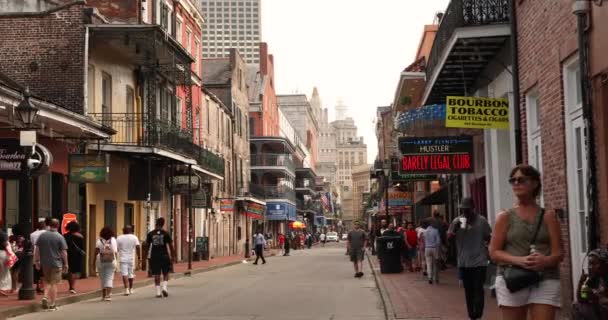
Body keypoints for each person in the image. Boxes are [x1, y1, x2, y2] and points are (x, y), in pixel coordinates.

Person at [489, 164, 563, 320]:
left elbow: (559, 253)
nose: (516, 183)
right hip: (512, 278)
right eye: (513, 180)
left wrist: (546, 260)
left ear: (535, 183)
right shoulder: (505, 217)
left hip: (546, 277)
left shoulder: (548, 216)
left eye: (521, 180)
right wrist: (520, 260)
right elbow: (494, 253)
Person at [448, 197, 492, 320]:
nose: (465, 213)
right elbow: (449, 241)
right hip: (464, 262)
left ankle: (478, 314)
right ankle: (472, 316)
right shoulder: (457, 221)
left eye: (467, 210)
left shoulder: (481, 221)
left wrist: (486, 247)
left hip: (479, 261)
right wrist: (454, 230)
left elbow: (489, 237)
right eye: (463, 210)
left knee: (478, 289)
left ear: (473, 208)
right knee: (468, 291)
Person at [34, 219, 68, 311]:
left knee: (47, 281)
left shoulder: (42, 236)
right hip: (56, 263)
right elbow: (63, 252)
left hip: (45, 263)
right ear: (58, 225)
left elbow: (37, 249)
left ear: (49, 225)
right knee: (54, 284)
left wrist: (37, 261)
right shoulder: (60, 237)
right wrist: (66, 263)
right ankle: (52, 304)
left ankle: (45, 297)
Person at [572, 248, 608, 320]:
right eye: (589, 264)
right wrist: (581, 282)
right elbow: (581, 299)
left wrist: (596, 296)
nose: (590, 267)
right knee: (577, 306)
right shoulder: (593, 278)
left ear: (604, 264)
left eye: (594, 264)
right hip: (599, 312)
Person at [146, 218, 174, 298]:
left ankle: (158, 292)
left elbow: (147, 246)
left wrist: (146, 256)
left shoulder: (150, 234)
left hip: (154, 256)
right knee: (166, 272)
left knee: (156, 273)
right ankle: (164, 287)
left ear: (156, 223)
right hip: (164, 255)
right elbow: (171, 246)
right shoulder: (166, 233)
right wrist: (172, 255)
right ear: (163, 224)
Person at [94, 226, 117, 301]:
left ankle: (103, 296)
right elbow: (115, 252)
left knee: (102, 278)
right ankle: (108, 295)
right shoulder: (113, 240)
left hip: (100, 260)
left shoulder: (99, 241)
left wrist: (93, 262)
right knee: (109, 277)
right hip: (111, 260)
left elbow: (96, 252)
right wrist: (115, 261)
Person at [117, 225, 140, 296]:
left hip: (122, 258)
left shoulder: (119, 238)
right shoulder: (134, 237)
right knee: (131, 274)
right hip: (131, 258)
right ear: (131, 230)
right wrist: (139, 256)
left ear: (124, 230)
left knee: (124, 274)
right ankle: (131, 288)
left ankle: (126, 289)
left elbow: (116, 248)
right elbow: (138, 247)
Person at [63, 221, 85, 294]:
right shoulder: (80, 236)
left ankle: (71, 286)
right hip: (77, 255)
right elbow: (82, 247)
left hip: (68, 254)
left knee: (70, 271)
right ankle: (72, 286)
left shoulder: (65, 236)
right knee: (75, 271)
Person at [31, 218, 50, 294]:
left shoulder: (32, 234)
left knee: (37, 270)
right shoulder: (47, 233)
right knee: (44, 271)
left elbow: (32, 244)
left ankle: (38, 286)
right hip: (45, 252)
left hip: (35, 252)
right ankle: (42, 286)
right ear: (45, 226)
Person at [423, 219, 441, 284]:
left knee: (428, 264)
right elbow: (438, 242)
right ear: (432, 224)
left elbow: (423, 240)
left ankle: (430, 277)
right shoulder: (436, 231)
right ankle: (436, 278)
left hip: (427, 248)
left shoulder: (425, 231)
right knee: (435, 264)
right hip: (434, 248)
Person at [8, 224, 25, 294]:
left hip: (12, 255)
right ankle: (15, 287)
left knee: (12, 271)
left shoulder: (10, 237)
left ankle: (12, 287)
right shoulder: (21, 238)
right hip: (19, 255)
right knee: (16, 271)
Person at [0, 230, 13, 296]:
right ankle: (2, 288)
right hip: (3, 253)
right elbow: (6, 244)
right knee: (4, 272)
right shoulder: (3, 234)